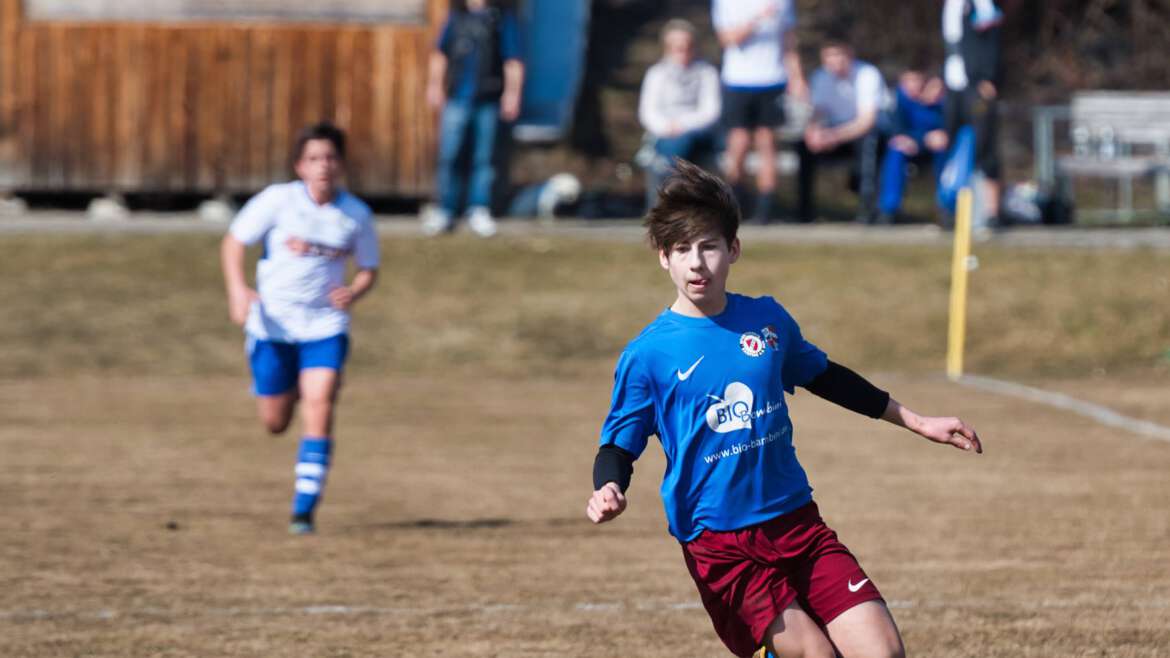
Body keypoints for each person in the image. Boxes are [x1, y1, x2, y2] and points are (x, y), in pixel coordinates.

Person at [585, 160, 982, 658]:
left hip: (797, 524)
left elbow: (826, 377)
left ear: (733, 248)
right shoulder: (647, 355)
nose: (696, 263)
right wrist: (608, 487)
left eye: (708, 246)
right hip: (720, 542)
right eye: (682, 249)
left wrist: (918, 421)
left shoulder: (767, 320)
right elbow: (619, 444)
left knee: (884, 652)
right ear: (664, 258)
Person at [220, 122, 380, 535]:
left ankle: (303, 510)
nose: (322, 166)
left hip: (324, 325)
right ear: (299, 166)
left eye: (329, 158)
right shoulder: (278, 201)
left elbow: (368, 268)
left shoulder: (355, 215)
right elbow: (234, 242)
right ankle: (286, 385)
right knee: (275, 422)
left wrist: (355, 291)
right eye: (313, 159)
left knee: (320, 402)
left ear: (341, 164)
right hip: (273, 325)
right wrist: (238, 290)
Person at [423, 0, 525, 238]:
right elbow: (441, 54)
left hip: (487, 99)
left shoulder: (499, 17)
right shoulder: (457, 16)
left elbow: (513, 60)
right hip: (457, 97)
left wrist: (513, 94)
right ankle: (445, 209)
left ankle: (479, 209)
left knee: (484, 159)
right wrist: (435, 85)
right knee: (449, 156)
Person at [712, 0, 806, 224]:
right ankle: (733, 199)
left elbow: (788, 41)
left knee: (767, 141)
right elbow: (727, 39)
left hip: (773, 79)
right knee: (740, 141)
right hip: (738, 80)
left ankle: (766, 206)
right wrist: (757, 19)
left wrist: (797, 76)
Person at [798, 39, 889, 224]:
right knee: (803, 147)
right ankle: (804, 213)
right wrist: (814, 132)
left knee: (868, 145)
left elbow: (866, 122)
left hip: (869, 133)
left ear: (849, 55)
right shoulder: (820, 77)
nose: (835, 63)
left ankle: (867, 211)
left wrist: (834, 136)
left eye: (839, 57)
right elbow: (818, 113)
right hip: (835, 133)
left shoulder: (867, 74)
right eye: (829, 58)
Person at [638, 18, 721, 208]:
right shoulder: (656, 73)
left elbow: (710, 112)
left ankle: (672, 198)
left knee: (681, 144)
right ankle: (674, 199)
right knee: (672, 146)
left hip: (699, 132)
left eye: (687, 46)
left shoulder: (706, 72)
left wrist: (683, 125)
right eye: (677, 47)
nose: (683, 52)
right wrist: (666, 127)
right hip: (665, 133)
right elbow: (648, 112)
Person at [942, 0, 1003, 225]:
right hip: (952, 84)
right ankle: (949, 207)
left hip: (976, 84)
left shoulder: (981, 3)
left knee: (984, 146)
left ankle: (991, 212)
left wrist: (988, 76)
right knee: (949, 144)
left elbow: (992, 40)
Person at [877, 69, 949, 223]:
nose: (912, 85)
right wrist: (919, 138)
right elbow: (895, 130)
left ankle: (947, 207)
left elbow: (948, 127)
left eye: (916, 80)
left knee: (942, 151)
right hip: (909, 146)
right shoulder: (897, 99)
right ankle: (889, 210)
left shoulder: (940, 100)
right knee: (896, 152)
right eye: (907, 81)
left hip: (936, 148)